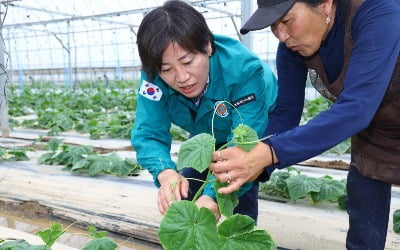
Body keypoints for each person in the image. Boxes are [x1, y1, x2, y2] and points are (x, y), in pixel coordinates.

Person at [210, 0, 400, 248]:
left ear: (325, 4)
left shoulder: (378, 10)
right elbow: (286, 114)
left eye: (287, 21)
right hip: (376, 132)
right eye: (273, 26)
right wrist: (246, 159)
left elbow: (357, 107)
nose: (282, 35)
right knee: (364, 217)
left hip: (364, 113)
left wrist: (271, 152)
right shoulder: (292, 47)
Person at [131, 0, 277, 222]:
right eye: (167, 69)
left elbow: (242, 147)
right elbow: (148, 132)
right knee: (186, 190)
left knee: (236, 192)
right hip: (206, 127)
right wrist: (165, 172)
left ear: (208, 46)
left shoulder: (244, 72)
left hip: (255, 122)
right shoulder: (153, 78)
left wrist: (212, 197)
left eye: (188, 62)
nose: (181, 77)